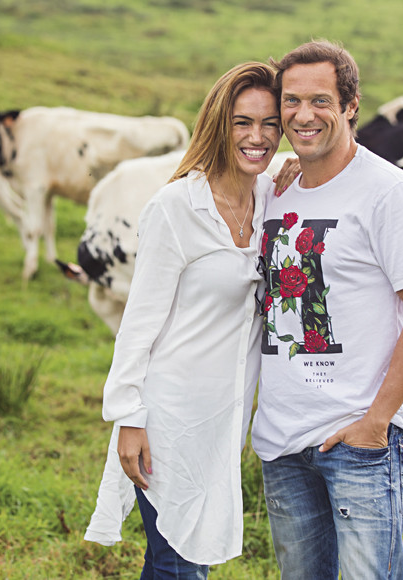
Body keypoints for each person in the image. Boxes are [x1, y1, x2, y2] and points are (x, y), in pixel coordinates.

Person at [253, 40, 403, 579]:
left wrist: (377, 421)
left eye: (320, 100)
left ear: (351, 104)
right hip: (281, 441)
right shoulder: (272, 192)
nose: (303, 115)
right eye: (290, 101)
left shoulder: (391, 194)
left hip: (358, 440)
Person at [84, 61, 283, 578]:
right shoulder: (176, 207)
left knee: (178, 559)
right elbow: (139, 323)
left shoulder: (274, 200)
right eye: (243, 122)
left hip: (226, 419)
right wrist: (128, 417)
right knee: (179, 564)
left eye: (269, 123)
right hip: (169, 416)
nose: (257, 137)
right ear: (218, 123)